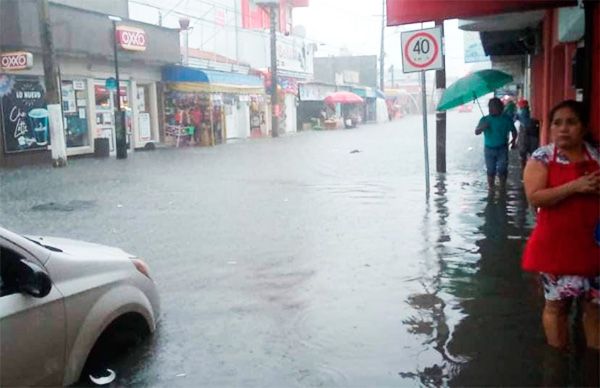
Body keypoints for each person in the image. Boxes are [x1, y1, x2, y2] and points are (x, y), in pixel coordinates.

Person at [522, 100, 600, 351]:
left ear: (584, 127)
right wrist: (575, 186)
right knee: (557, 306)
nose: (563, 129)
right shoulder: (542, 157)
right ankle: (557, 359)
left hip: (593, 245)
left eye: (571, 122)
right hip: (556, 246)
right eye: (557, 123)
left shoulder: (596, 155)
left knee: (595, 306)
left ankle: (592, 364)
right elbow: (535, 196)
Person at [475, 97, 518, 190]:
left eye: (494, 107)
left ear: (500, 108)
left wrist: (514, 141)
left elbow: (514, 131)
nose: (491, 109)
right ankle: (491, 188)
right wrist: (483, 127)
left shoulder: (506, 119)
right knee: (490, 170)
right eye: (490, 107)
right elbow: (476, 132)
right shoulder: (484, 119)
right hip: (489, 149)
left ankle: (502, 187)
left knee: (502, 169)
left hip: (502, 148)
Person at [516, 99, 540, 170]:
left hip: (525, 136)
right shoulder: (531, 114)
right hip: (533, 135)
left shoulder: (520, 114)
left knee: (523, 154)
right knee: (532, 154)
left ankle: (524, 170)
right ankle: (530, 169)